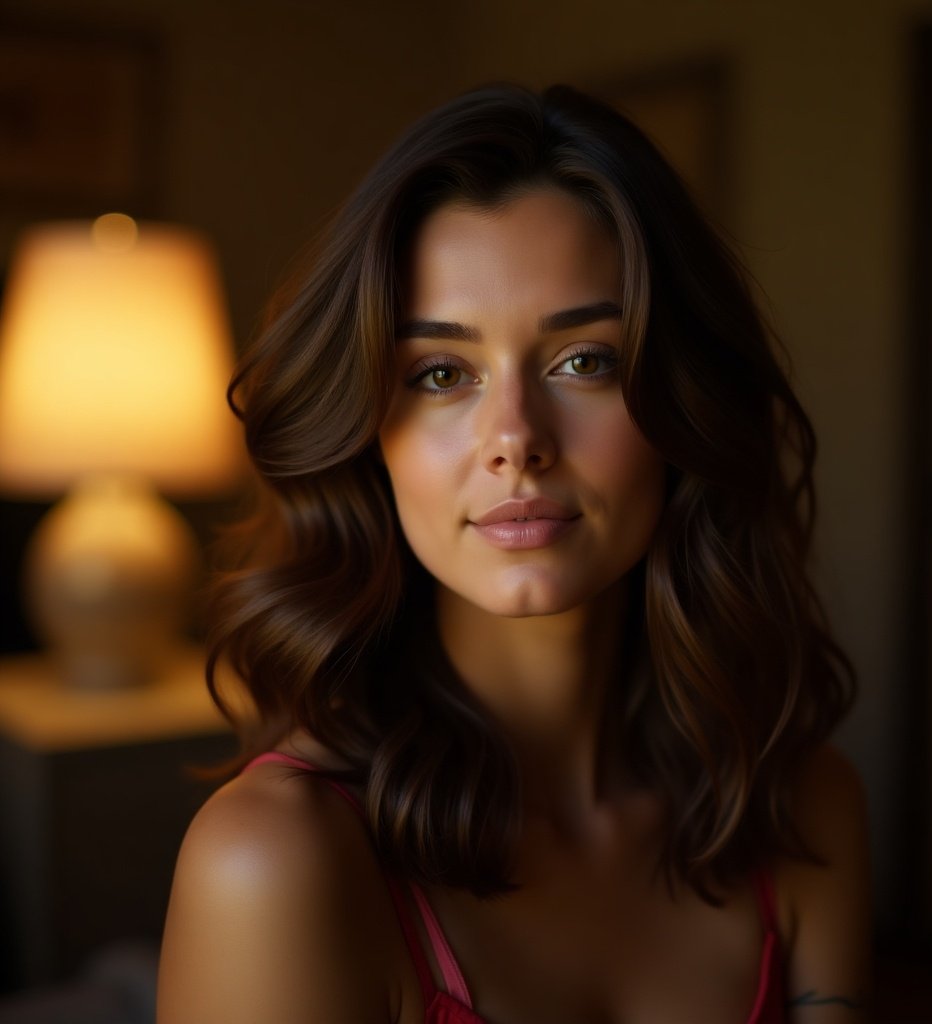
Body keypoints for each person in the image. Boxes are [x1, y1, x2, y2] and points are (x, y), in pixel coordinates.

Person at [157, 84, 872, 1023]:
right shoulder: (278, 862)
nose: (516, 438)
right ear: (371, 431)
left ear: (683, 409)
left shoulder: (800, 806)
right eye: (442, 374)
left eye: (586, 360)